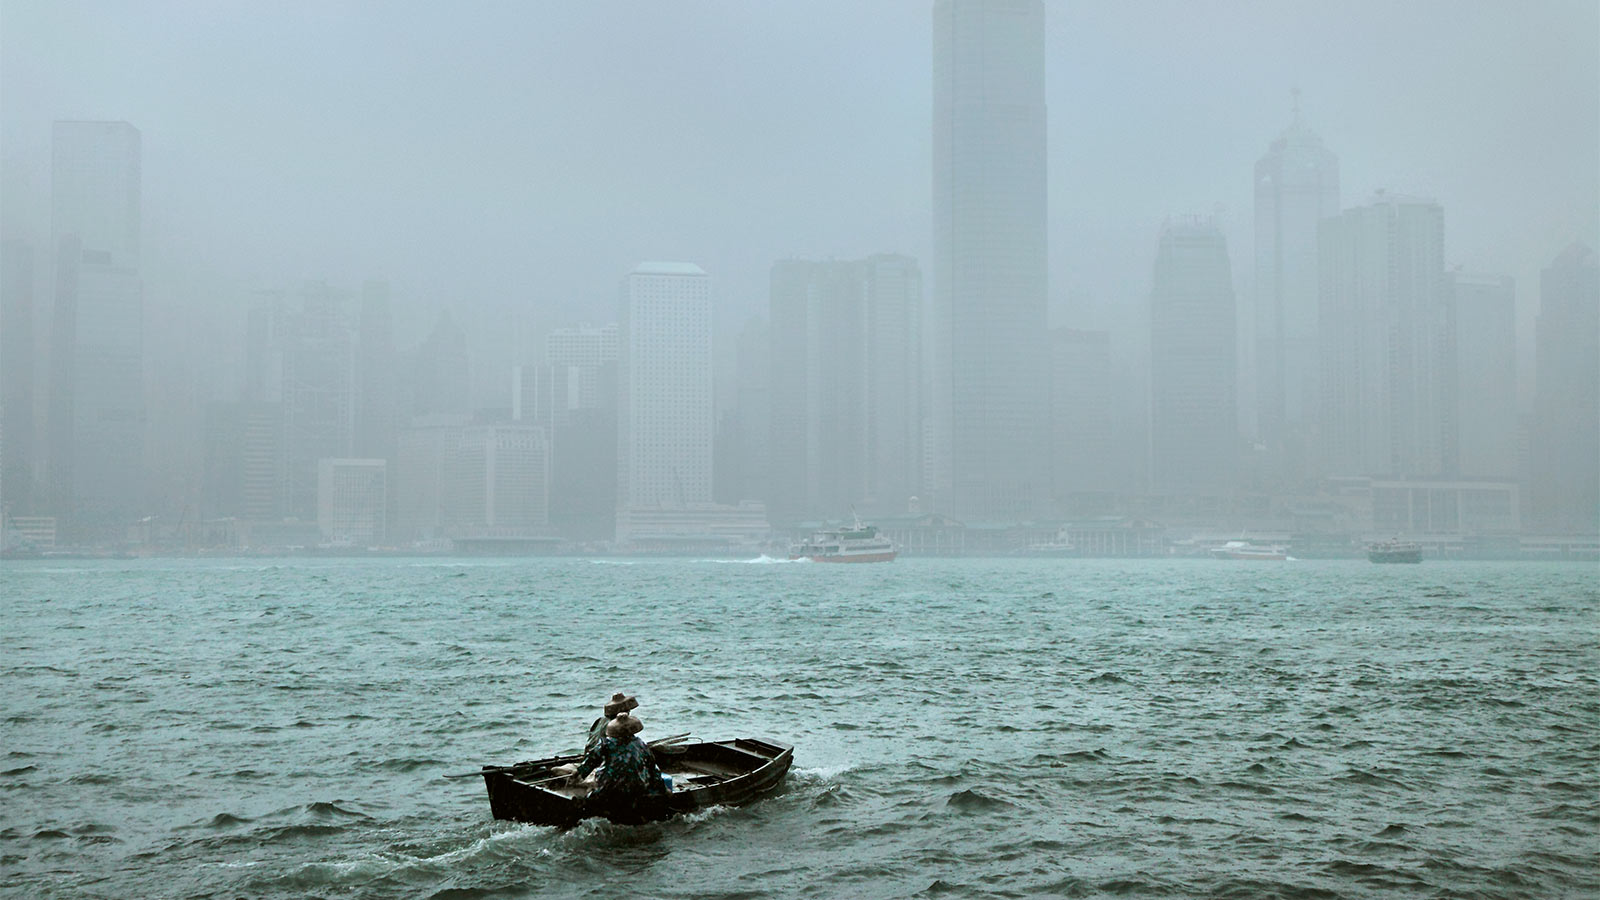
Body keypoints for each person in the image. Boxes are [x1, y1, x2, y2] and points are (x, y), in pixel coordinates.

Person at [572, 711, 669, 823]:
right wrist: (664, 790)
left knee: (588, 798)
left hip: (608, 790)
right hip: (637, 789)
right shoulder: (641, 745)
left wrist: (579, 773)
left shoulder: (605, 744)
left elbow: (590, 762)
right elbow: (653, 770)